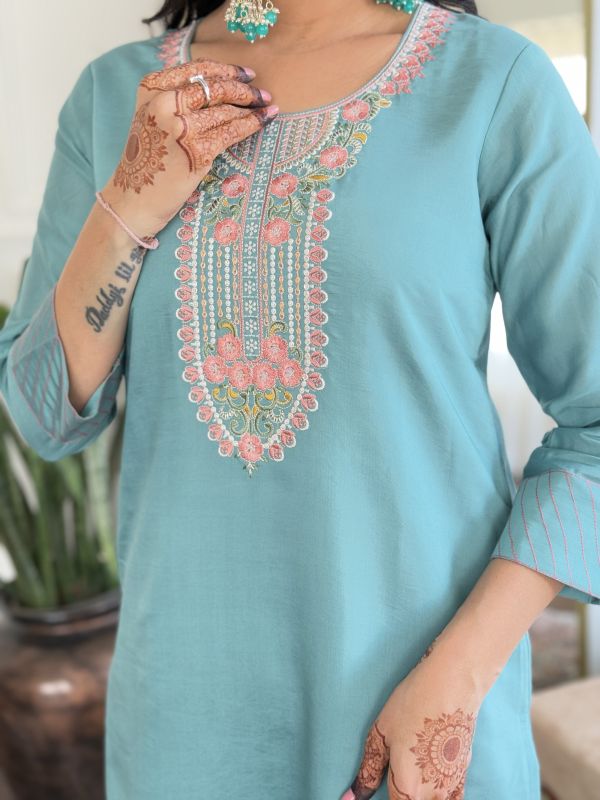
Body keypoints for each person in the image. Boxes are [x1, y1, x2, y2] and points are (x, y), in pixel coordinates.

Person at [0, 0, 599, 797]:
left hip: (422, 722)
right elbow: (44, 417)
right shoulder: (115, 97)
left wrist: (455, 681)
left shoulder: (493, 83)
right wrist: (130, 203)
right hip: (183, 727)